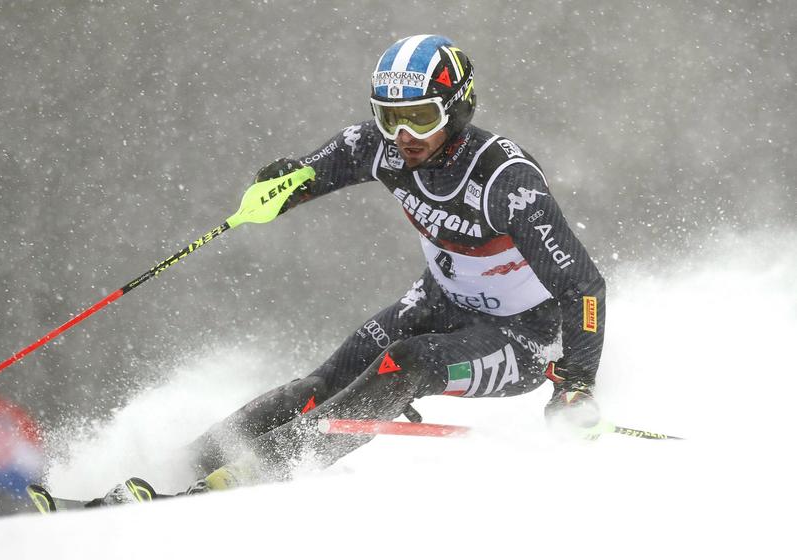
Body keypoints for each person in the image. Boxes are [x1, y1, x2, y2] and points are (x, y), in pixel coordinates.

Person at [98, 34, 607, 502]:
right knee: (316, 387)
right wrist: (284, 186)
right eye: (390, 118)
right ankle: (168, 473)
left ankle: (262, 473)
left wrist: (576, 383)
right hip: (440, 302)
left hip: (525, 337)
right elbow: (313, 171)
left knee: (408, 362)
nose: (405, 135)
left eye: (422, 118)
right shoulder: (380, 148)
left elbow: (583, 284)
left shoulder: (505, 182)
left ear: (457, 109)